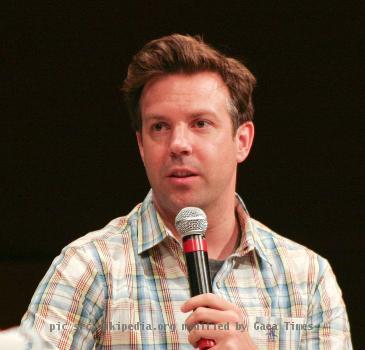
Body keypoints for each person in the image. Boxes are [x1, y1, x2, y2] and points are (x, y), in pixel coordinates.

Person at [20, 34, 352, 349]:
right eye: (159, 127)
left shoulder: (307, 278)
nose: (178, 144)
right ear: (141, 146)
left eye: (200, 123)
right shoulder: (88, 267)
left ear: (242, 141)